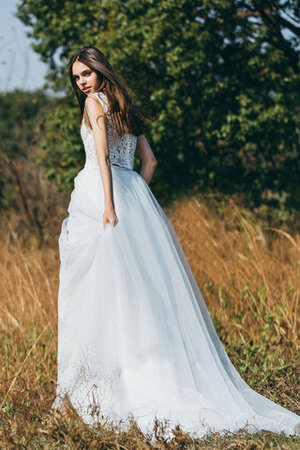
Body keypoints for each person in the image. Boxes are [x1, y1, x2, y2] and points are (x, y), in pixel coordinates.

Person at [52, 46, 300, 441]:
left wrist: (110, 205)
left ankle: (97, 388)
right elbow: (149, 162)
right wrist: (136, 200)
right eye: (77, 76)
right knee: (140, 295)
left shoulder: (94, 106)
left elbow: (100, 155)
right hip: (131, 193)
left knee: (98, 294)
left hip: (102, 195)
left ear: (100, 72)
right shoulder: (124, 106)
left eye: (86, 73)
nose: (82, 82)